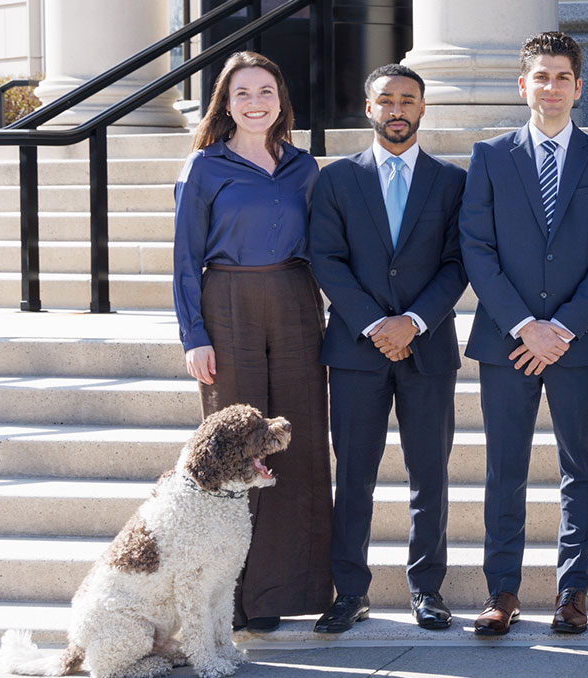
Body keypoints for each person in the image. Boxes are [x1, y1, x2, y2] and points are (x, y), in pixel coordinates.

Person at [458, 31, 588, 636]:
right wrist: (525, 326)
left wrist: (560, 327)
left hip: (576, 342)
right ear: (523, 85)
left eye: (562, 77)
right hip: (506, 341)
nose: (551, 88)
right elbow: (477, 249)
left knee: (579, 466)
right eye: (541, 77)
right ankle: (501, 593)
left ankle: (572, 593)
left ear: (578, 88)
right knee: (505, 468)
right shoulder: (489, 157)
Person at [171, 50, 330, 631]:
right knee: (236, 447)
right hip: (228, 304)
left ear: (281, 99)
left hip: (294, 301)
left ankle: (281, 594)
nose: (256, 102)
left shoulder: (303, 168)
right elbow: (184, 258)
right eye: (243, 93)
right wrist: (194, 335)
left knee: (299, 439)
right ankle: (230, 599)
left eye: (266, 91)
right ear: (226, 103)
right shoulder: (204, 167)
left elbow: (321, 247)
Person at [307, 64, 468, 634]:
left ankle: (427, 590)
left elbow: (458, 263)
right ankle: (350, 592)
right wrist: (378, 323)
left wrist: (414, 322)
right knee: (354, 475)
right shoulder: (336, 180)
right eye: (387, 100)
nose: (397, 109)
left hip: (428, 349)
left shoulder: (452, 181)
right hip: (356, 349)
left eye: (408, 100)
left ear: (423, 109)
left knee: (431, 475)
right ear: (368, 107)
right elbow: (325, 259)